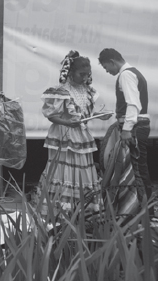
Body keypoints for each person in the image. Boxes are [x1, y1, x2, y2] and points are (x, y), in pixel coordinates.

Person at [34, 51, 111, 215]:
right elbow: (51, 116)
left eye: (87, 75)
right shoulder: (60, 91)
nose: (84, 78)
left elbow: (87, 114)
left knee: (83, 169)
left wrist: (103, 116)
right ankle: (61, 210)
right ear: (69, 73)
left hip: (81, 135)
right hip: (64, 136)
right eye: (81, 74)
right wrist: (67, 122)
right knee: (64, 172)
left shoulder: (88, 91)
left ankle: (83, 209)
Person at [98, 48, 152, 209]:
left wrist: (127, 128)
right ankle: (143, 210)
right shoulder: (132, 73)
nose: (107, 71)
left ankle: (145, 212)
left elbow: (133, 104)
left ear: (112, 61)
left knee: (137, 170)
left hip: (134, 127)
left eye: (106, 67)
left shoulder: (126, 74)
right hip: (136, 125)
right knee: (138, 169)